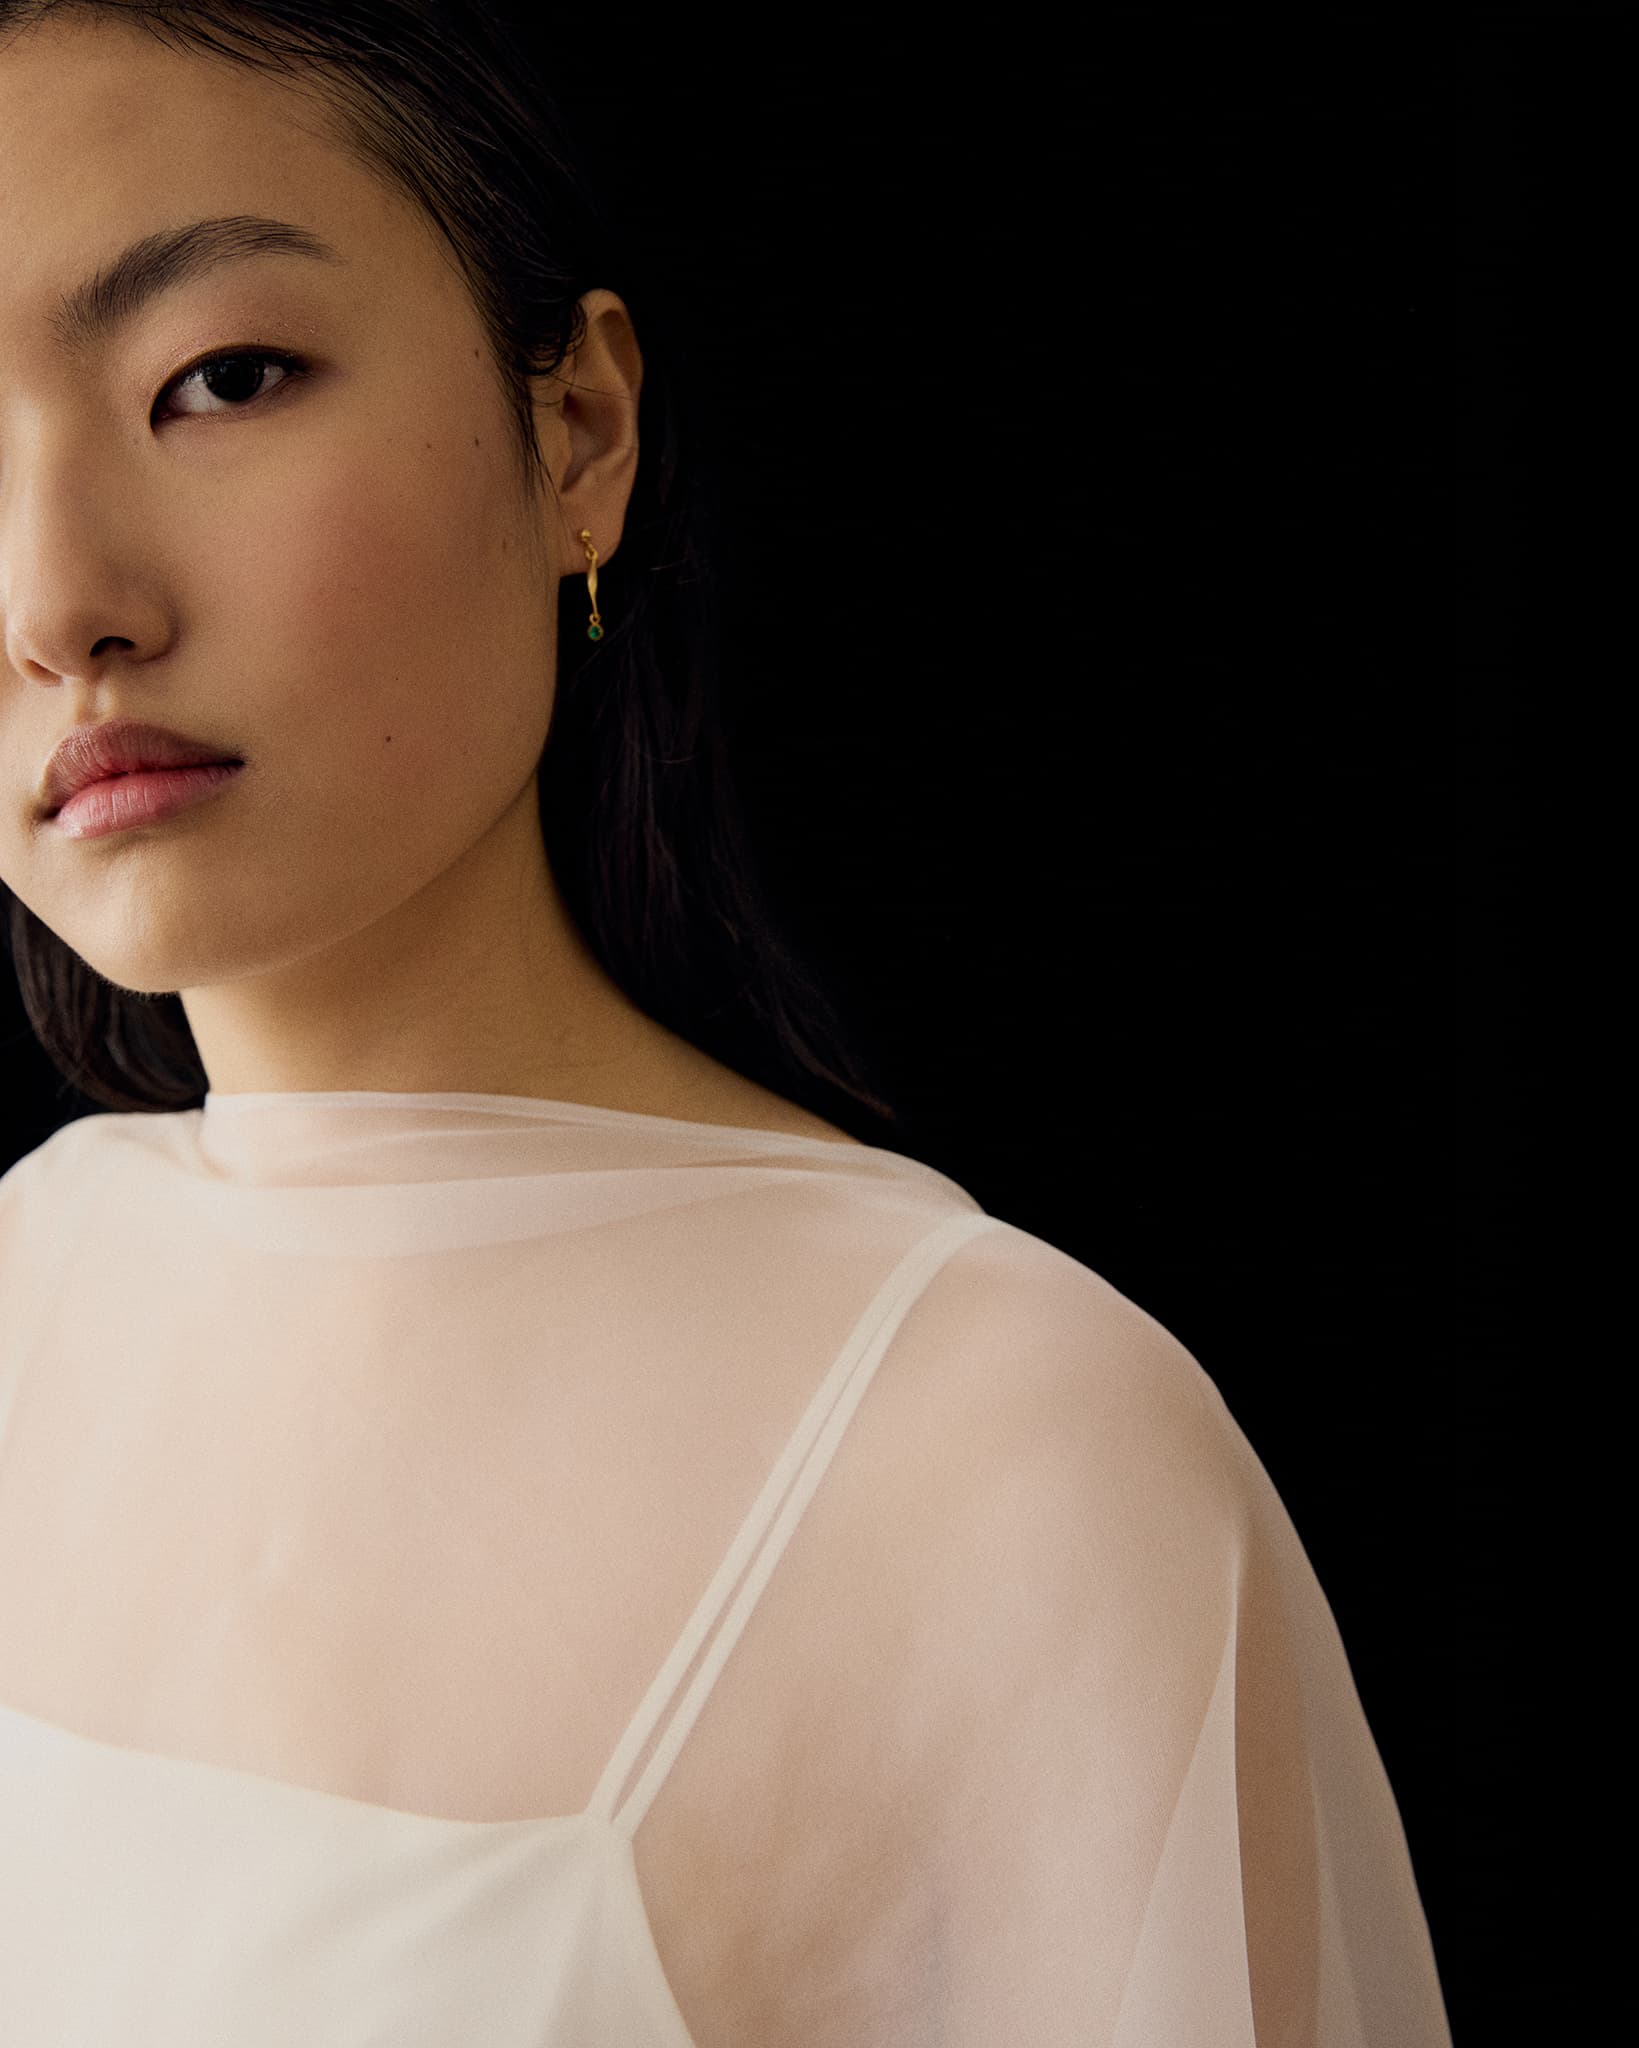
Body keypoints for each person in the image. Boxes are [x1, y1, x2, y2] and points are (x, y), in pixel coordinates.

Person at [0, 5, 1453, 2044]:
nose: (59, 594)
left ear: (579, 429)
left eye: (221, 379)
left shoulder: (1000, 1453)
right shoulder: (27, 1278)